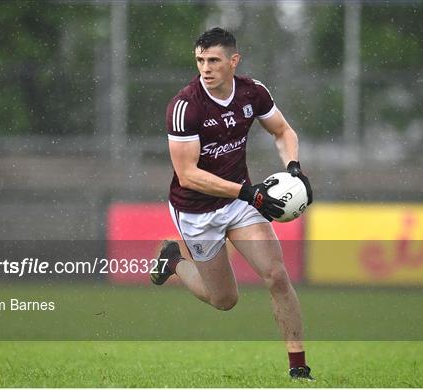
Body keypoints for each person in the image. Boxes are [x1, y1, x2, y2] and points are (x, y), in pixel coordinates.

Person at [151, 27, 314, 381]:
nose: (205, 68)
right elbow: (188, 174)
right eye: (199, 60)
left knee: (276, 275)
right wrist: (248, 193)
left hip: (240, 202)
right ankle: (174, 261)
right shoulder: (185, 107)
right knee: (224, 300)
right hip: (196, 211)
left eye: (213, 60)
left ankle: (298, 367)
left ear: (233, 61)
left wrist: (294, 170)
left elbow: (283, 132)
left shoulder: (253, 92)